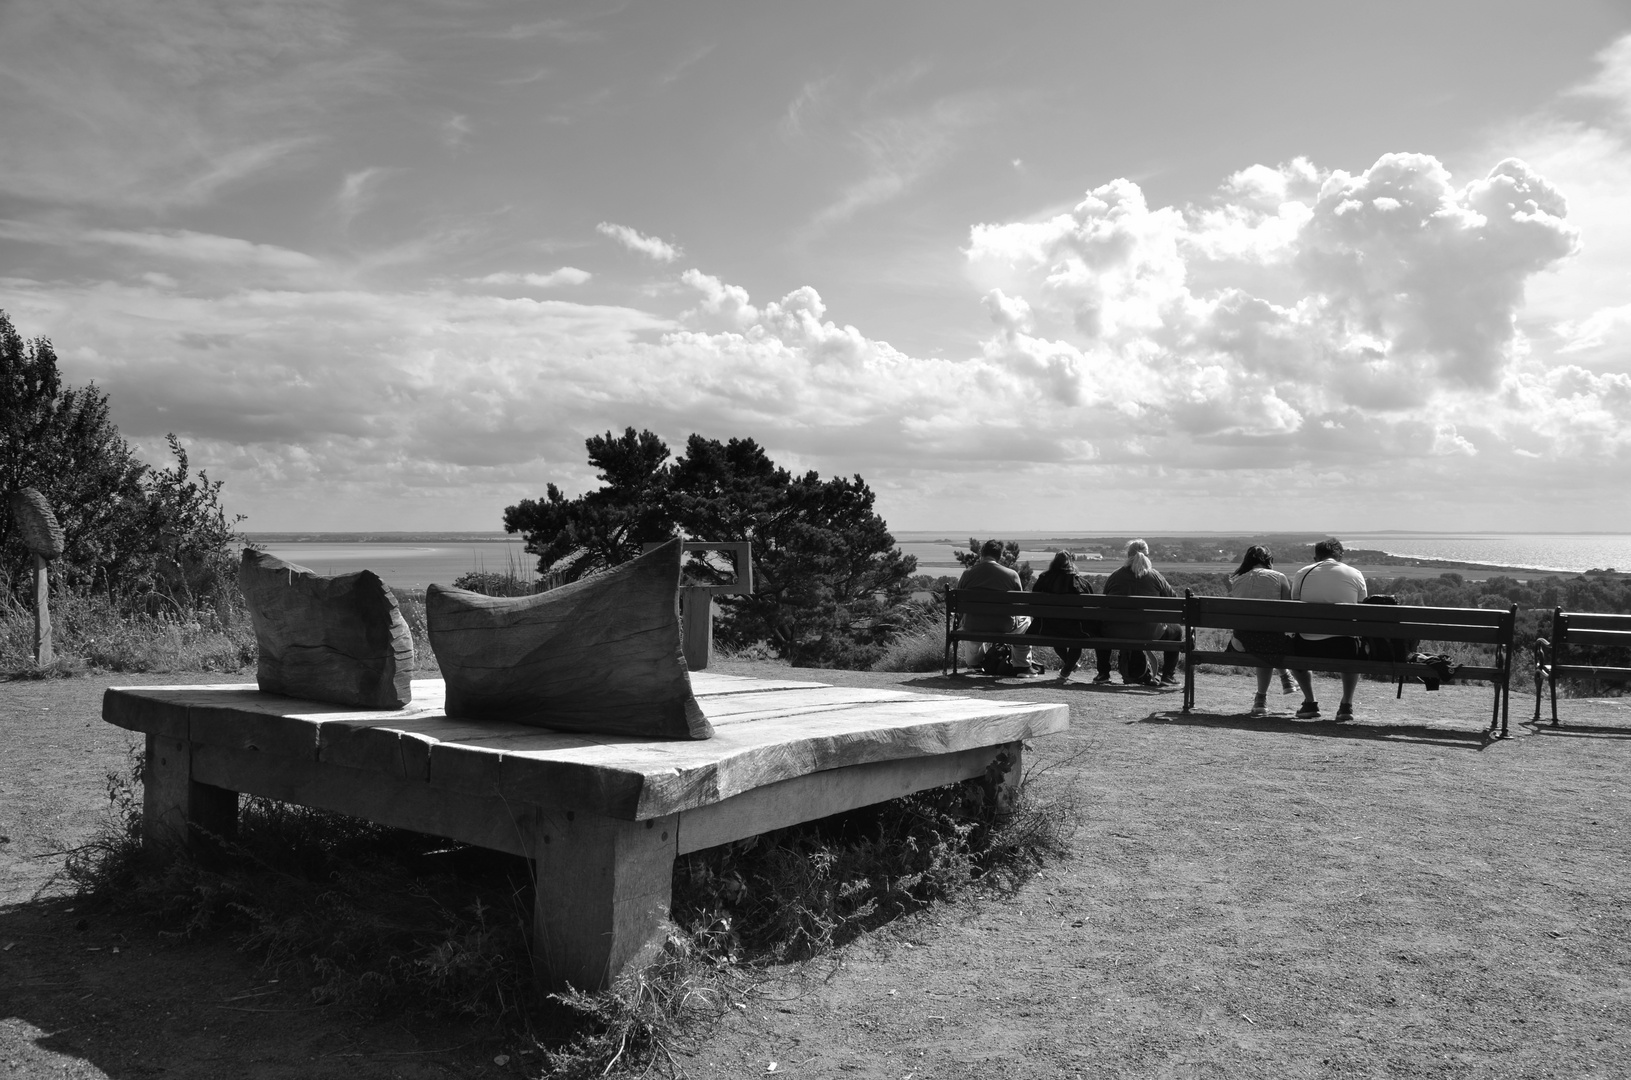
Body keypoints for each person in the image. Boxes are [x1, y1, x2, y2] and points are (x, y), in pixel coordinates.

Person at [1288, 537, 1368, 721]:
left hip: (1306, 646)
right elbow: (1363, 606)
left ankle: (1310, 702)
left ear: (1316, 558)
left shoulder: (1303, 573)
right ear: (1339, 555)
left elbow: (1294, 605)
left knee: (1292, 647)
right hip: (1345, 647)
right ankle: (1346, 705)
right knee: (1351, 642)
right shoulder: (1355, 573)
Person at [1225, 545, 1296, 716]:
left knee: (1257, 638)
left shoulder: (1238, 581)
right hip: (1273, 642)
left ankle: (1261, 699)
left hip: (1242, 642)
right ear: (1269, 561)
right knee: (1267, 640)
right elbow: (1288, 612)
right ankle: (1284, 676)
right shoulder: (1280, 578)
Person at [1099, 539, 1180, 686]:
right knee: (1177, 631)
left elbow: (1104, 603)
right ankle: (1168, 676)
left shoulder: (1116, 576)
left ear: (1127, 555)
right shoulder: (1155, 576)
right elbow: (1174, 600)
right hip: (1150, 632)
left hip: (1116, 631)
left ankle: (1103, 673)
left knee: (1099, 628)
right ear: (1147, 556)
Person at [956, 538, 1036, 675]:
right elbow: (1019, 605)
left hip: (973, 625)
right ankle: (1022, 666)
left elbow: (959, 603)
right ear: (999, 556)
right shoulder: (1012, 575)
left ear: (981, 554)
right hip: (1004, 626)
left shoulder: (967, 574)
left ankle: (974, 663)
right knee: (1026, 620)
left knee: (970, 619)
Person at [1031, 550, 1096, 680]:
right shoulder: (1081, 583)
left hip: (1048, 627)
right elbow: (1092, 606)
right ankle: (1066, 670)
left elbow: (1033, 602)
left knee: (1057, 630)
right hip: (1076, 629)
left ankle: (1069, 666)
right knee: (1075, 637)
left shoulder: (1044, 579)